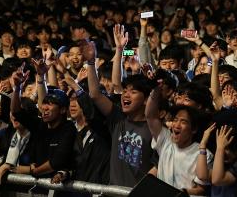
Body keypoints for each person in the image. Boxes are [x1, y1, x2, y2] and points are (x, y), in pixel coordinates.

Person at [82, 38, 154, 187]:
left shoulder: (155, 127)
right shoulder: (118, 118)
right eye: (125, 91)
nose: (126, 95)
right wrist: (90, 63)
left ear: (147, 99)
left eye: (133, 92)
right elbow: (95, 94)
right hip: (113, 192)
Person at [146, 81, 213, 195]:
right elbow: (150, 116)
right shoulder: (165, 141)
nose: (176, 125)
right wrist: (156, 89)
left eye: (183, 122)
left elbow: (201, 189)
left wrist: (181, 193)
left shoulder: (203, 154)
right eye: (176, 120)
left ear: (194, 129)